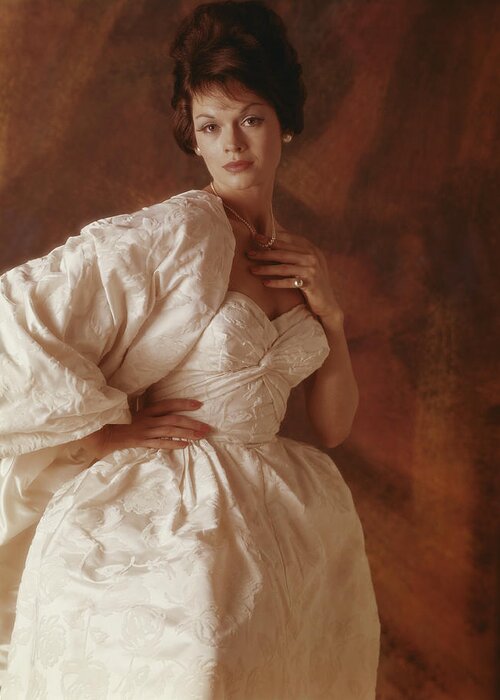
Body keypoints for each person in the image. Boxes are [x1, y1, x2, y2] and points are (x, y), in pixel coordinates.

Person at [0, 1, 380, 697]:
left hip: (280, 528)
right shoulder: (181, 234)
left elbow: (331, 428)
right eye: (211, 126)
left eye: (251, 119)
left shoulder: (300, 261)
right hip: (167, 522)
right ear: (195, 140)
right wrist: (110, 435)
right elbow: (17, 320)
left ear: (285, 125)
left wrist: (331, 315)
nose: (233, 143)